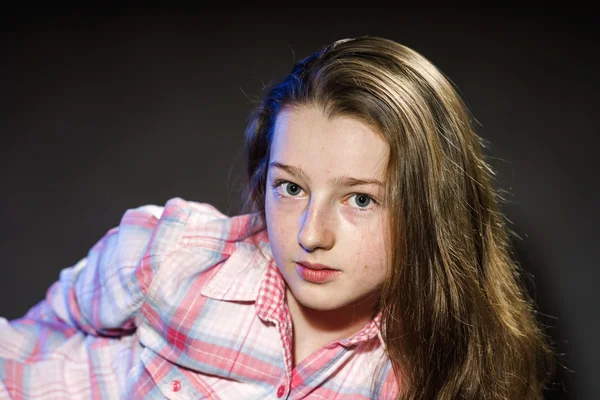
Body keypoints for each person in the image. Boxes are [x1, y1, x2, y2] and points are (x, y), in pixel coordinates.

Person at [0, 36, 554, 399]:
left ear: (433, 210)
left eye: (360, 199)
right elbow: (30, 342)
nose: (311, 235)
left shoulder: (439, 374)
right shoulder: (171, 256)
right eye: (290, 187)